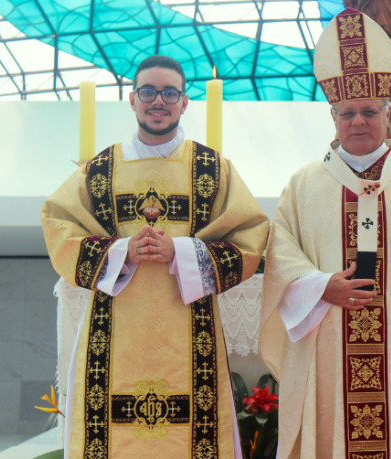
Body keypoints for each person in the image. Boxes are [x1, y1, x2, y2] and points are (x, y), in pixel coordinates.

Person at [258, 8, 391, 458]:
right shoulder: (303, 185)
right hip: (328, 335)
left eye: (369, 111)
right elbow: (279, 254)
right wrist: (320, 287)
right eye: (348, 112)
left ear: (387, 112)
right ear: (333, 115)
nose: (358, 121)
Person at [41, 55, 268, 459]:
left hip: (189, 327)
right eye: (147, 91)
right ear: (131, 100)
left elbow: (251, 236)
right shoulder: (100, 170)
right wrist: (120, 250)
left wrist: (180, 251)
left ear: (184, 102)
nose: (157, 101)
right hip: (113, 329)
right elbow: (57, 224)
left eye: (169, 92)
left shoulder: (211, 169)